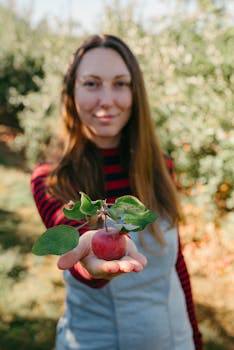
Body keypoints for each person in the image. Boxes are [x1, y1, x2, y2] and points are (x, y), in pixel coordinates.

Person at [31, 34, 203, 350]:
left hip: (174, 338)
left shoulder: (160, 166)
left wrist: (195, 334)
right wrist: (89, 258)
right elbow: (75, 241)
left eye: (120, 84)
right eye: (92, 84)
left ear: (135, 92)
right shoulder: (52, 178)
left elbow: (175, 263)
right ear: (71, 92)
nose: (107, 99)